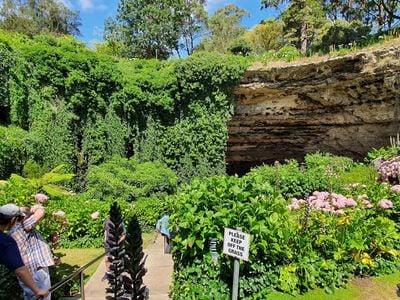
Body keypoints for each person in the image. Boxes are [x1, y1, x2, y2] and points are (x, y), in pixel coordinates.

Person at [0, 203, 49, 299]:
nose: (22, 220)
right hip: (34, 272)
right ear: (13, 220)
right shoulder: (16, 231)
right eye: (20, 218)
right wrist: (38, 291)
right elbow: (20, 270)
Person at [102, 217, 126, 281]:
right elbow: (105, 230)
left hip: (116, 244)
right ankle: (108, 273)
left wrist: (118, 243)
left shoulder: (120, 222)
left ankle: (118, 275)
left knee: (117, 260)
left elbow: (124, 235)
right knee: (107, 259)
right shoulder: (107, 220)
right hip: (108, 244)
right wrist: (105, 240)